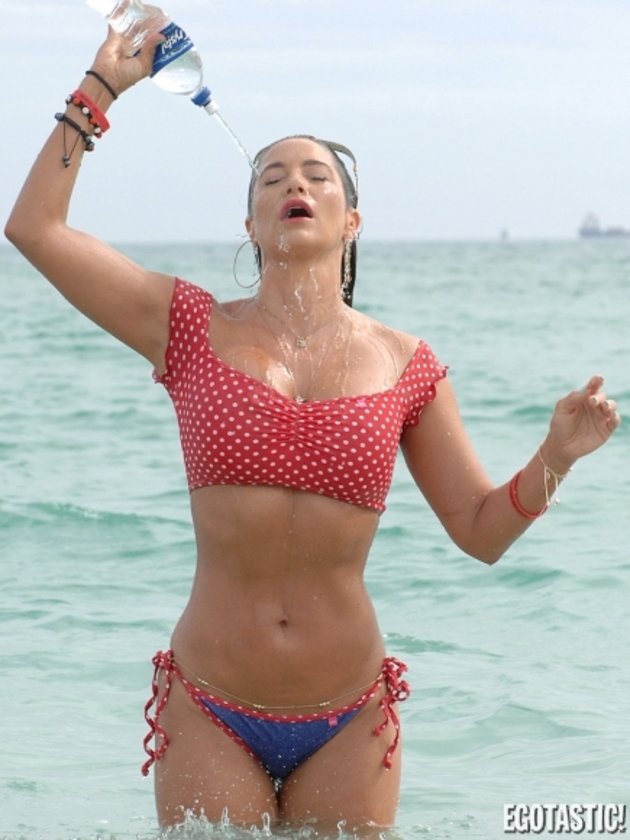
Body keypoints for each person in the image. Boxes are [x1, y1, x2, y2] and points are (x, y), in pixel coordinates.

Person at [5, 26, 621, 836]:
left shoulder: (406, 365)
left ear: (351, 219)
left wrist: (555, 458)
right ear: (251, 224)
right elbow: (36, 230)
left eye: (316, 175)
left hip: (349, 717)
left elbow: (479, 531)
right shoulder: (186, 327)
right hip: (211, 704)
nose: (293, 182)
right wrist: (101, 87)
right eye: (272, 178)